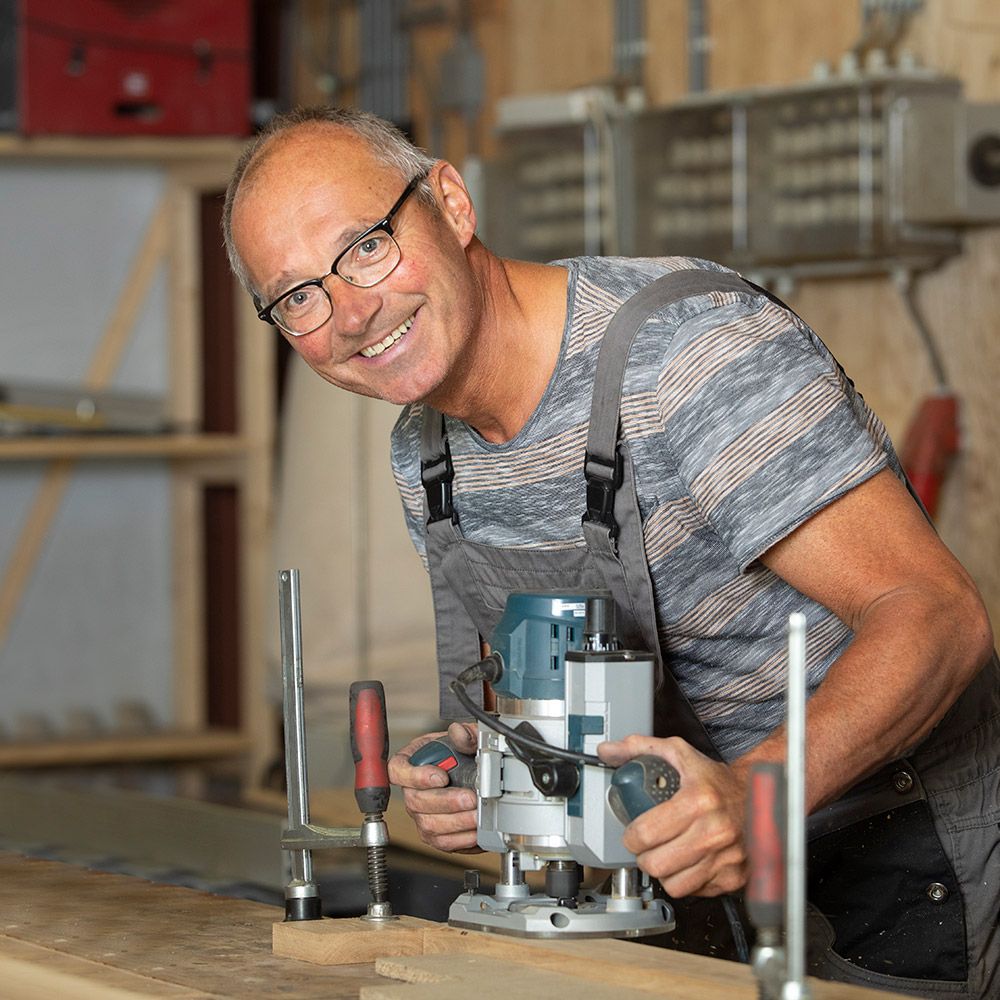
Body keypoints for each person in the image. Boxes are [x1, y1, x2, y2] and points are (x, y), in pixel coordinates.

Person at [223, 106, 999, 998]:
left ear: (450, 202)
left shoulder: (687, 357)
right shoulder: (426, 454)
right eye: (297, 297)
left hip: (897, 853)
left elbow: (939, 613)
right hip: (680, 886)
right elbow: (555, 681)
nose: (351, 312)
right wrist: (495, 768)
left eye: (365, 245)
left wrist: (760, 797)